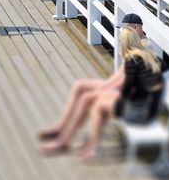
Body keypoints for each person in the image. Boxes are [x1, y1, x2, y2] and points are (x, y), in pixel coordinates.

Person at [38, 14, 148, 151]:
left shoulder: (143, 48)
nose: (122, 32)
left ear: (136, 28)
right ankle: (60, 127)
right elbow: (121, 74)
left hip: (132, 96)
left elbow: (125, 81)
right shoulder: (134, 43)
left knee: (87, 98)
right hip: (126, 88)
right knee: (79, 86)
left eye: (125, 29)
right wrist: (105, 86)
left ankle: (63, 141)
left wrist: (102, 90)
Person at [69, 27, 164, 160]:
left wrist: (109, 94)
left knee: (98, 106)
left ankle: (93, 147)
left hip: (139, 112)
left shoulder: (133, 60)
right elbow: (158, 70)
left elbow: (126, 90)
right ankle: (91, 142)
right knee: (100, 100)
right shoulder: (148, 56)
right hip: (148, 106)